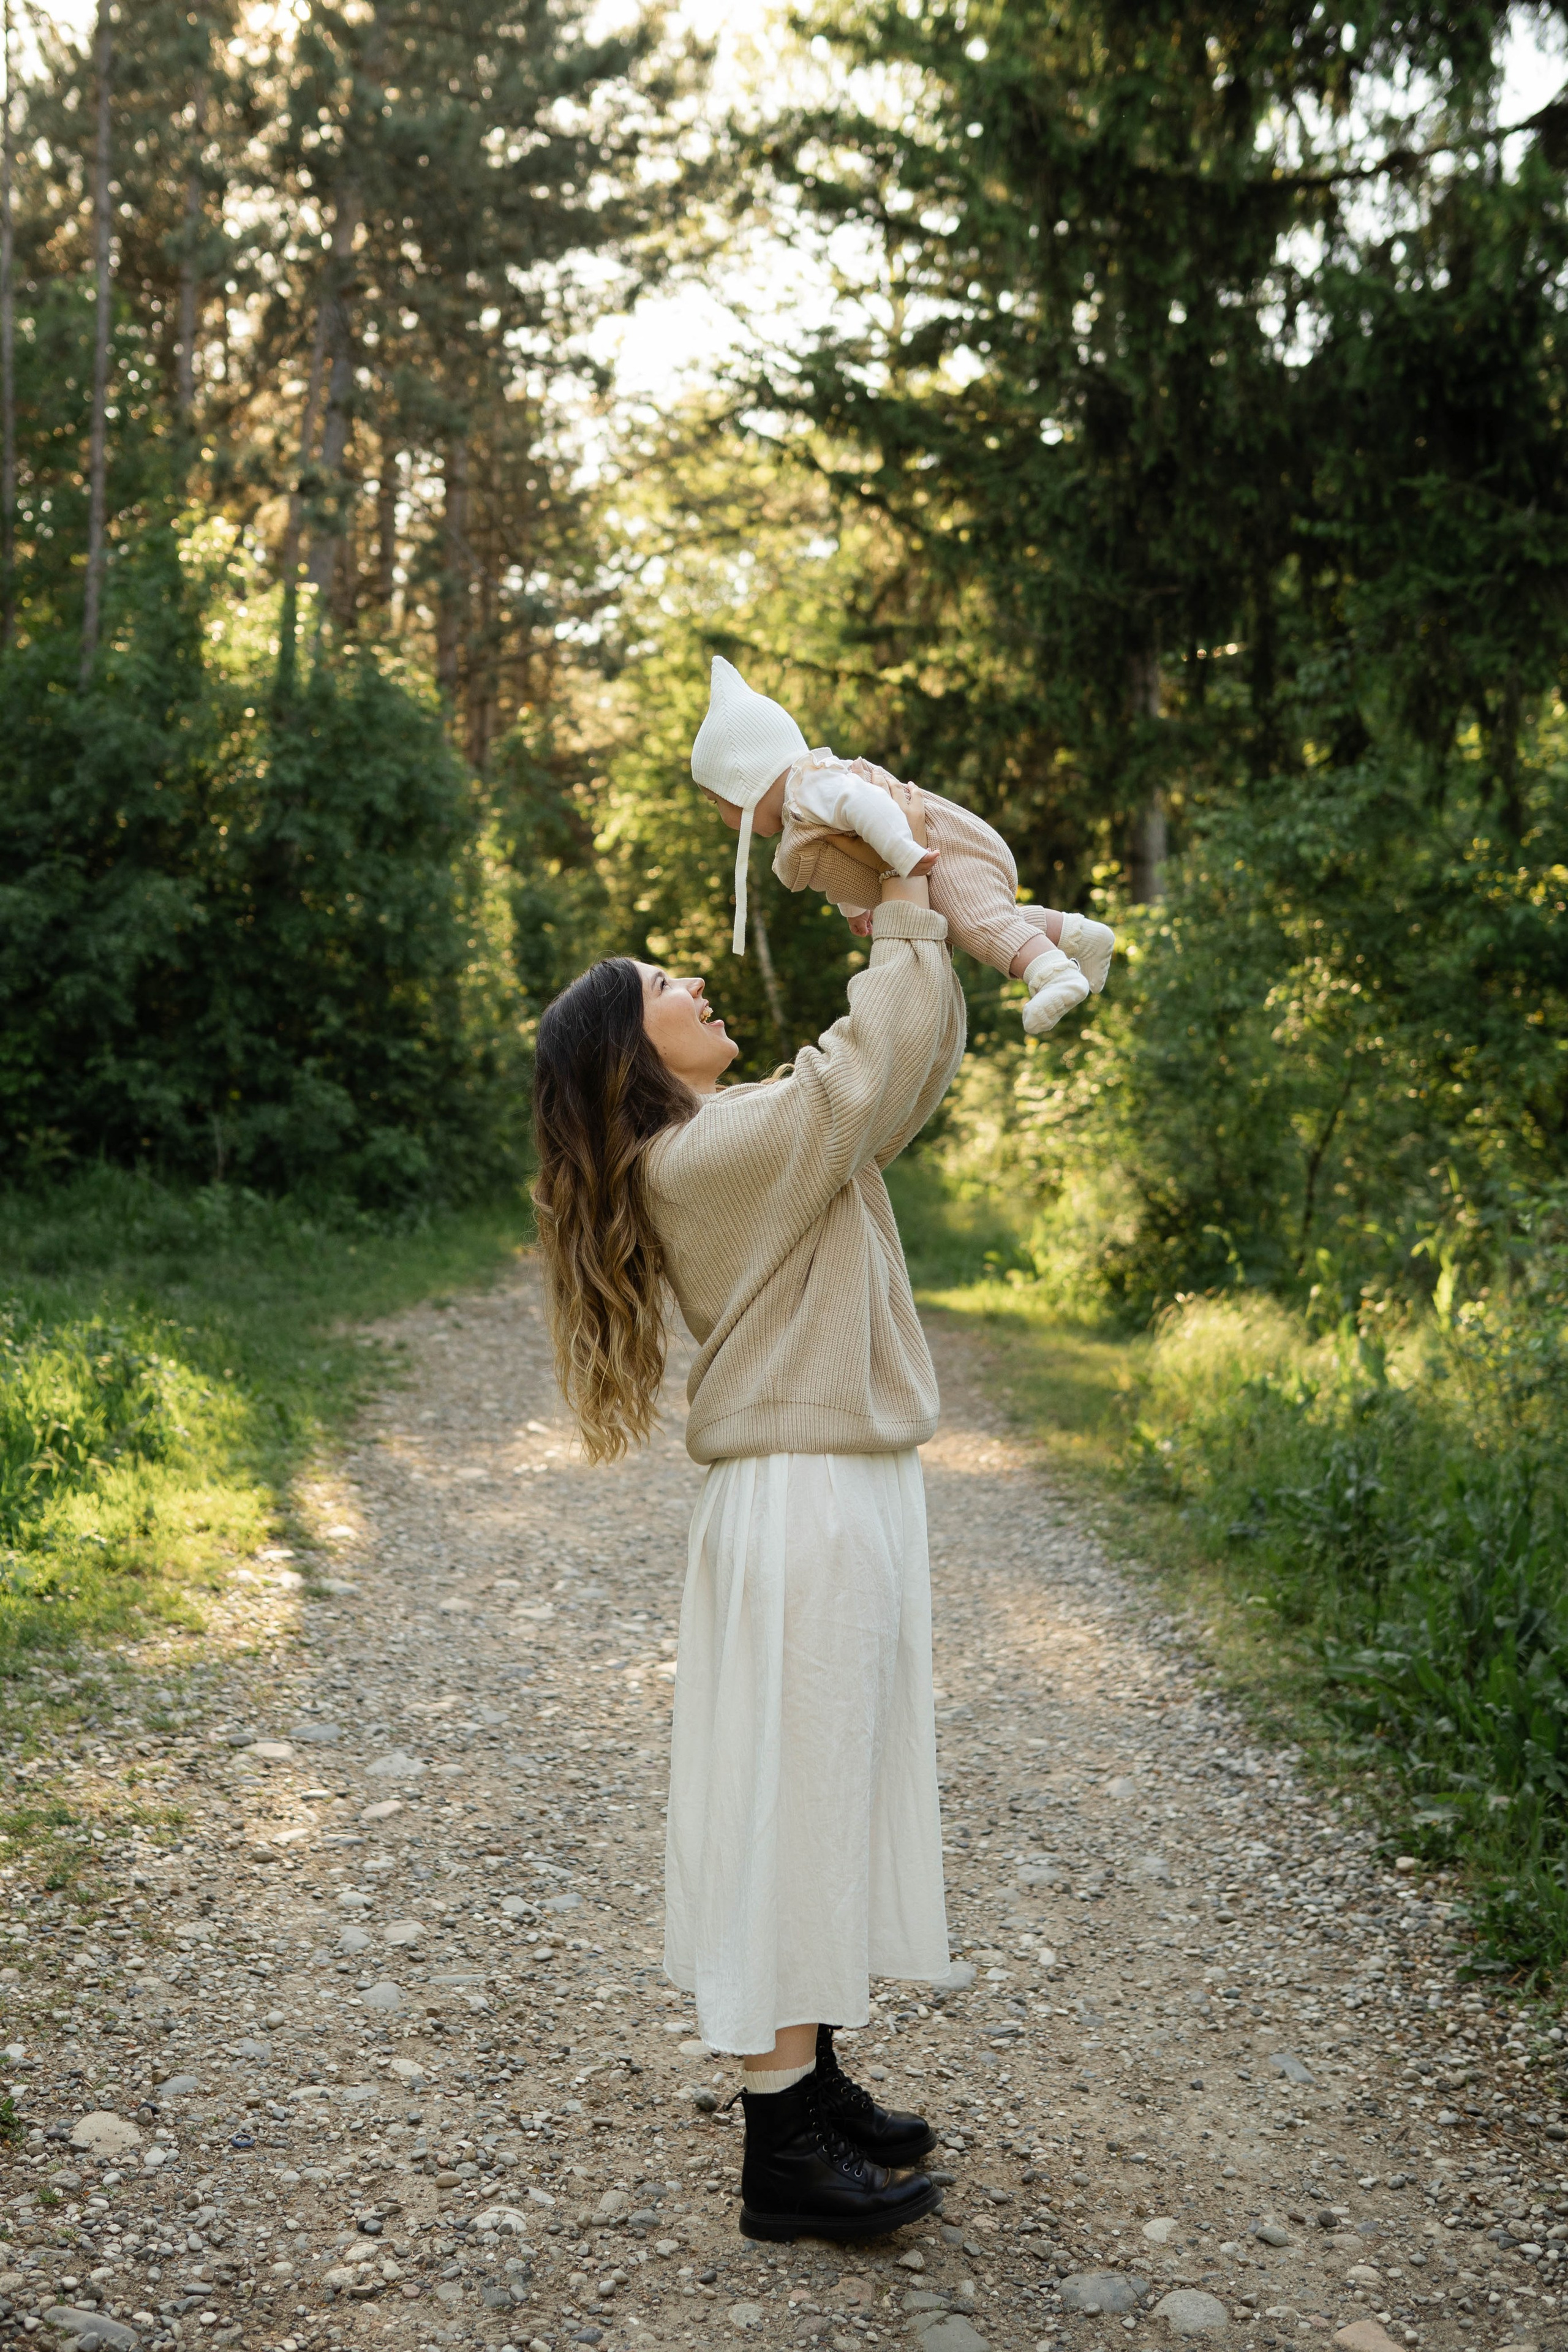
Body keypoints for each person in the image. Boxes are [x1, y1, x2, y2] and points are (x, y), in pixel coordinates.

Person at [531, 793, 968, 2247]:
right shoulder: (703, 1157)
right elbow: (861, 1072)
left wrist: (897, 921)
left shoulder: (743, 1131)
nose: (695, 980)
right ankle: (782, 2148)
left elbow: (903, 1071)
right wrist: (895, 896)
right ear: (632, 1051)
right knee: (795, 1799)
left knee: (824, 1785)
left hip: (831, 1484)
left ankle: (814, 2078)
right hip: (798, 1499)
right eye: (663, 982)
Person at [690, 652, 1115, 1034]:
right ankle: (1079, 934)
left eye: (716, 801)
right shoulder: (803, 803)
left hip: (943, 850)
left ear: (745, 781)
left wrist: (905, 854)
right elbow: (845, 854)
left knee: (978, 922)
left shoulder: (810, 787)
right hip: (931, 853)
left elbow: (870, 808)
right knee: (967, 923)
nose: (721, 816)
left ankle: (1053, 974)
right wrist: (856, 907)